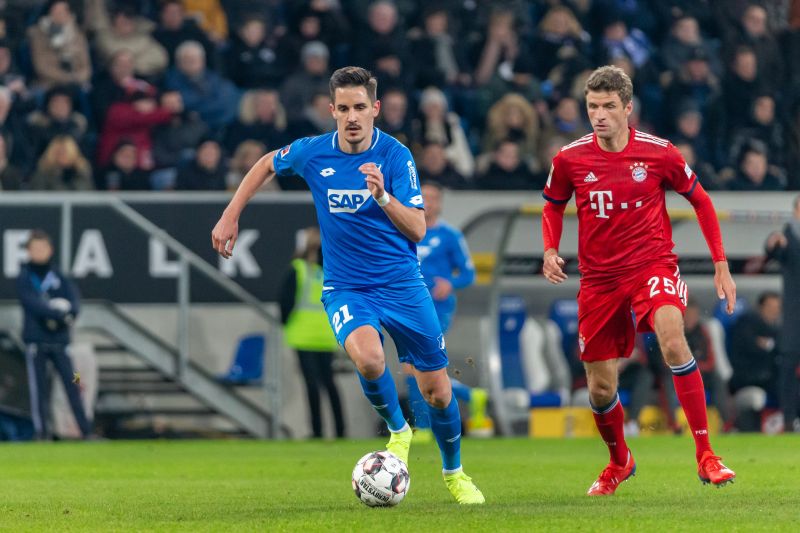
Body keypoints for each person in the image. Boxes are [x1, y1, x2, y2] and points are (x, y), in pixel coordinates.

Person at [212, 66, 484, 504]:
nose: (352, 116)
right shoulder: (314, 153)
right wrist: (231, 214)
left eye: (360, 107)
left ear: (375, 109)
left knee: (437, 390)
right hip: (347, 288)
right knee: (370, 358)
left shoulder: (395, 157)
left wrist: (382, 197)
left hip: (402, 286)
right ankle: (399, 433)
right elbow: (265, 164)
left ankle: (455, 473)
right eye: (343, 109)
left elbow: (417, 229)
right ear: (331, 110)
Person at [541, 65, 737, 496]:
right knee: (600, 387)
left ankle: (706, 455)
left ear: (628, 108)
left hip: (652, 266)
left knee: (672, 338)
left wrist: (720, 263)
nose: (599, 115)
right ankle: (619, 461)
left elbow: (701, 202)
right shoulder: (569, 158)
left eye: (609, 106)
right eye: (593, 106)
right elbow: (553, 204)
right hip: (598, 280)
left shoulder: (660, 152)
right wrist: (551, 249)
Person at [405, 182, 489, 442]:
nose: (427, 202)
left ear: (439, 203)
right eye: (423, 197)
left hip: (437, 308)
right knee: (414, 366)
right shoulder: (405, 231)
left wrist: (450, 283)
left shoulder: (450, 235)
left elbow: (468, 274)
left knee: (413, 365)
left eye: (432, 198)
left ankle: (424, 427)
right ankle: (469, 395)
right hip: (408, 306)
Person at [17, 230, 92, 440]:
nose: (39, 252)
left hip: (62, 344)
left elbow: (75, 303)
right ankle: (42, 432)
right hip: (36, 344)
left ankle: (86, 429)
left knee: (75, 382)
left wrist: (68, 313)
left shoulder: (60, 277)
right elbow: (33, 305)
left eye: (43, 248)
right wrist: (59, 314)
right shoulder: (25, 278)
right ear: (29, 251)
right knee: (38, 389)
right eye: (35, 248)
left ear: (50, 250)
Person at [279, 227, 345, 439]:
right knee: (330, 384)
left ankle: (317, 431)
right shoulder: (330, 272)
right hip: (327, 335)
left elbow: (285, 301)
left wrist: (285, 322)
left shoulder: (298, 269)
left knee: (312, 384)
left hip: (303, 335)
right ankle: (341, 431)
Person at [765, 195, 800, 432]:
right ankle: (788, 420)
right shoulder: (787, 237)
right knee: (788, 367)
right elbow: (772, 248)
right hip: (794, 318)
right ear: (796, 211)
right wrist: (772, 242)